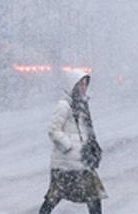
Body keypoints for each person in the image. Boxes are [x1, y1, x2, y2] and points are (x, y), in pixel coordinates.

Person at [39, 70, 106, 214]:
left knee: (94, 196)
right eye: (80, 84)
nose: (83, 87)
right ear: (73, 85)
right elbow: (53, 130)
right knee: (54, 197)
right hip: (65, 163)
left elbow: (86, 131)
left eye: (85, 84)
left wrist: (91, 147)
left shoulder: (82, 105)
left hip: (82, 161)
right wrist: (69, 146)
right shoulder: (64, 105)